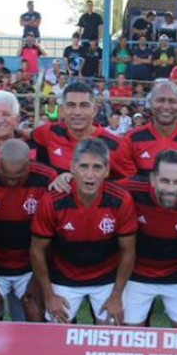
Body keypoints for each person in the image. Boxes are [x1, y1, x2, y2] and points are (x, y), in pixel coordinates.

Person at [30, 138, 137, 324]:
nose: (90, 174)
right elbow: (37, 250)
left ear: (107, 170)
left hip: (106, 279)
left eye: (97, 167)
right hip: (65, 278)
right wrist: (49, 295)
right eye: (83, 166)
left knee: (111, 335)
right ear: (72, 168)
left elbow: (128, 250)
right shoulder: (53, 201)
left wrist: (117, 295)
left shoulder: (120, 199)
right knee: (58, 335)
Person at [0, 138, 56, 321]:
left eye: (18, 176)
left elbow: (50, 234)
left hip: (29, 267)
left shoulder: (47, 177)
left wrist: (36, 280)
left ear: (29, 165)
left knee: (33, 322)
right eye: (5, 174)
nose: (11, 182)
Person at [120, 150, 177, 327]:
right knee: (129, 336)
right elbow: (98, 187)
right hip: (137, 275)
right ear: (153, 179)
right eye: (164, 181)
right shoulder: (130, 189)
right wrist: (68, 178)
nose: (170, 189)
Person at [31, 82, 136, 179]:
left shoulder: (115, 146)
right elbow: (28, 134)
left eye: (84, 105)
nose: (77, 112)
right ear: (62, 111)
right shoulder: (48, 132)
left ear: (94, 110)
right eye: (71, 105)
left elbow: (131, 182)